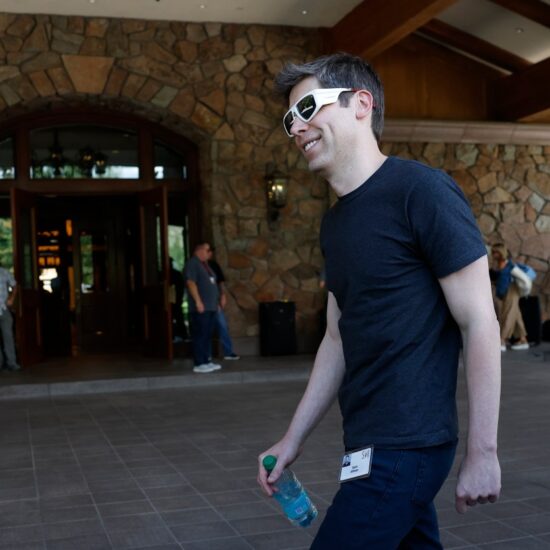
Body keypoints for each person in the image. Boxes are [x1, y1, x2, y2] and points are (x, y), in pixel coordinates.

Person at [257, 53, 501, 549]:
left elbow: (480, 321)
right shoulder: (336, 223)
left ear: (361, 104)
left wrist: (483, 452)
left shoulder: (422, 192)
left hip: (407, 444)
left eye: (308, 108)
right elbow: (336, 338)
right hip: (365, 441)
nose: (296, 128)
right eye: (289, 119)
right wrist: (292, 438)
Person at [183, 242, 221, 374]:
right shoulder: (193, 263)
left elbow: (212, 284)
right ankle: (199, 363)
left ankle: (206, 360)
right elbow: (191, 283)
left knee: (207, 334)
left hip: (211, 306)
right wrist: (198, 302)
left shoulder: (206, 265)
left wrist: (216, 302)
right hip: (201, 307)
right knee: (200, 334)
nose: (210, 253)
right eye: (207, 250)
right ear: (199, 250)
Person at [490, 243, 530, 352]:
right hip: (505, 292)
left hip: (512, 290)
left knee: (507, 314)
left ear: (501, 252)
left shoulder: (509, 265)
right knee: (516, 315)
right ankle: (523, 340)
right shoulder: (498, 264)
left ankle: (502, 340)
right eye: (493, 252)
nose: (493, 254)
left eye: (495, 252)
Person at [207, 247, 240, 361]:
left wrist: (223, 295)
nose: (210, 254)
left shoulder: (213, 265)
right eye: (207, 251)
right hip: (205, 302)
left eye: (210, 252)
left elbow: (220, 282)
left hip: (215, 301)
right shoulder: (196, 266)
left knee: (223, 325)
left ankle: (228, 352)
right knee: (206, 328)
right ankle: (207, 354)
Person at [0, 264, 20, 371]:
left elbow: (15, 285)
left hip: (4, 308)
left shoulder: (4, 272)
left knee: (8, 336)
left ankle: (12, 362)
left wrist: (11, 298)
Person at [169, 257, 189, 344]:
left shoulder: (176, 274)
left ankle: (183, 335)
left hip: (175, 300)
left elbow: (180, 288)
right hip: (171, 300)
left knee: (179, 318)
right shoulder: (164, 274)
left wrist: (179, 299)